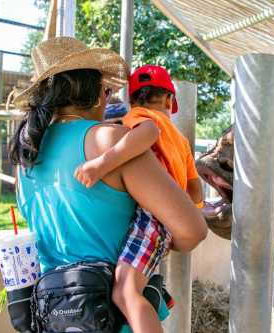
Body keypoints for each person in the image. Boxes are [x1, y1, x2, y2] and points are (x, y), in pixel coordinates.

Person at [10, 37, 207, 333]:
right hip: (113, 320)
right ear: (98, 94)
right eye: (107, 89)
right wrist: (159, 243)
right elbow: (193, 230)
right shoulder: (110, 142)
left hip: (54, 317)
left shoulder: (24, 159)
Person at [74, 65, 203, 333]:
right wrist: (175, 223)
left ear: (131, 99)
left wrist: (100, 164)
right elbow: (195, 192)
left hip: (151, 214)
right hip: (163, 216)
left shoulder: (138, 117)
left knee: (125, 292)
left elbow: (148, 134)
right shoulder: (180, 140)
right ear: (169, 100)